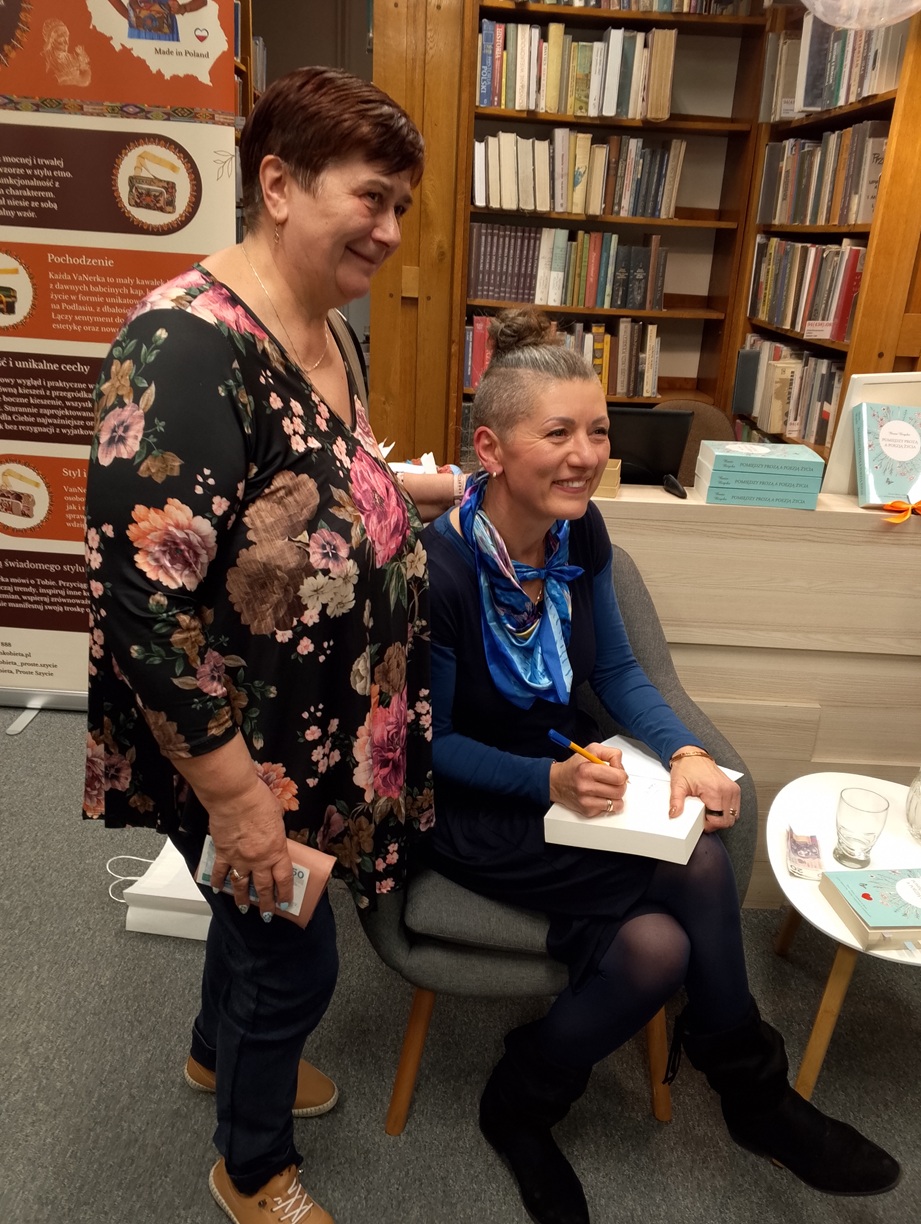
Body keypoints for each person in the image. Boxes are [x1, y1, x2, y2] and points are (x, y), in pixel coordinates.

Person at [420, 307, 900, 1224]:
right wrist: (547, 782)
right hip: (474, 802)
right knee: (701, 867)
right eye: (557, 433)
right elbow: (428, 747)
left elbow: (616, 674)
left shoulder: (580, 532)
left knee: (658, 948)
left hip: (571, 772)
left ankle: (520, 1101)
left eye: (597, 430)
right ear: (490, 449)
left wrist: (684, 751)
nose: (584, 455)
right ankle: (752, 1093)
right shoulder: (438, 572)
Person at [83, 67, 452, 1224]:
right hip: (240, 745)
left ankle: (218, 1050)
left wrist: (406, 493)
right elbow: (144, 603)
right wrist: (239, 802)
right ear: (280, 185)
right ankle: (250, 1169)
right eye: (372, 199)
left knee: (254, 931)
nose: (390, 231)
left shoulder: (326, 324)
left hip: (314, 722)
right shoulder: (186, 348)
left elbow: (306, 476)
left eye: (402, 207)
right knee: (291, 960)